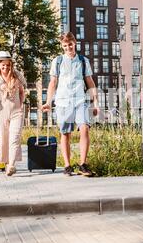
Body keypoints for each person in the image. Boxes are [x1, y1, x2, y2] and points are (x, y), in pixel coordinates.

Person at [42, 32, 100, 177]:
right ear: (62, 46)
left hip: (80, 100)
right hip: (63, 101)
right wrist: (48, 101)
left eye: (70, 44)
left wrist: (96, 103)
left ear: (75, 43)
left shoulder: (83, 60)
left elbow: (90, 82)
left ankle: (83, 164)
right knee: (65, 133)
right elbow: (53, 83)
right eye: (65, 45)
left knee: (85, 129)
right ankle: (67, 166)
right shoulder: (58, 61)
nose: (68, 47)